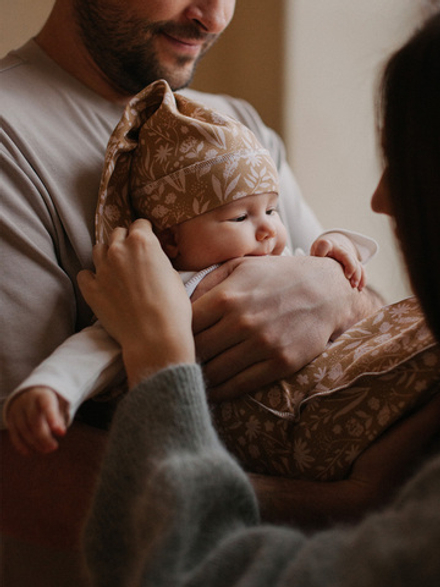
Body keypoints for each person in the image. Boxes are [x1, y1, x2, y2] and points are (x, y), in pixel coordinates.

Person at [79, 11, 440, 586]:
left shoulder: (241, 129)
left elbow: (193, 570)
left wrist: (337, 290)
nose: (379, 199)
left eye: (417, 167)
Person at [1, 0, 382, 437]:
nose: (216, 18)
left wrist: (335, 291)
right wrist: (341, 501)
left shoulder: (237, 127)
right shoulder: (9, 136)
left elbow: (376, 315)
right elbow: (19, 462)